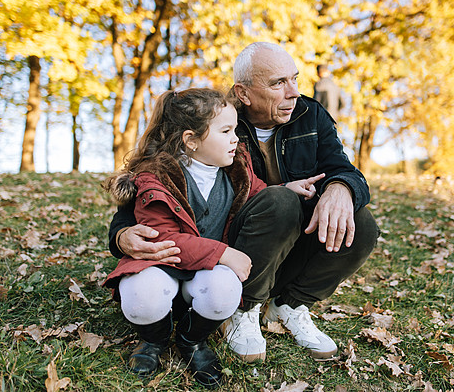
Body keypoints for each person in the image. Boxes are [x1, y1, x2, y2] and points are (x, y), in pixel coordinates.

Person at [108, 42, 379, 363]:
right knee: (278, 200)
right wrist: (121, 235)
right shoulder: (216, 123)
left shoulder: (310, 114)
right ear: (244, 93)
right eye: (278, 83)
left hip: (283, 244)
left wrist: (341, 188)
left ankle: (289, 305)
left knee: (361, 224)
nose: (292, 92)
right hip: (229, 246)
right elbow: (145, 195)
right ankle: (243, 309)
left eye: (295, 79)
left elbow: (340, 168)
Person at [102, 88, 323, 387]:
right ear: (191, 140)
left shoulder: (236, 168)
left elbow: (255, 193)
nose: (236, 138)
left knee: (225, 290)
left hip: (202, 278)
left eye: (235, 129)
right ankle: (153, 339)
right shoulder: (154, 177)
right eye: (226, 131)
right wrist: (223, 253)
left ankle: (192, 340)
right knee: (142, 296)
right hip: (162, 268)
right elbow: (162, 238)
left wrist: (286, 188)